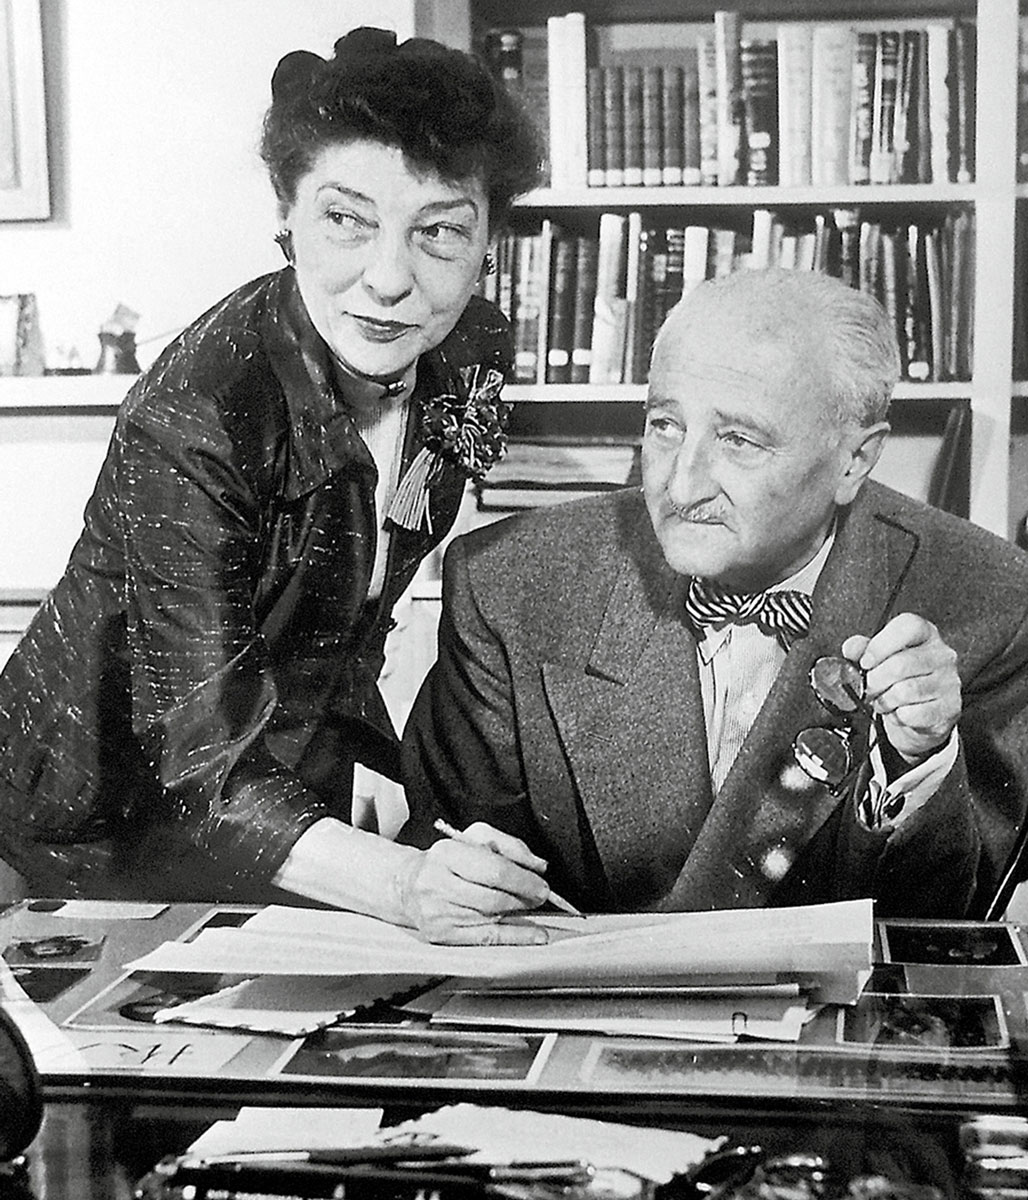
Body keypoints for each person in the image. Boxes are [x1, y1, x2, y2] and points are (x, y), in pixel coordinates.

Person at [0, 26, 544, 914]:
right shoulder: (194, 414)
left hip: (282, 788)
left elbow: (369, 577)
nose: (389, 279)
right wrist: (400, 881)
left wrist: (363, 773)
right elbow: (197, 750)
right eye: (346, 219)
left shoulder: (474, 348)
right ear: (286, 217)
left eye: (439, 230)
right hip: (90, 831)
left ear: (490, 239)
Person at [399, 267, 1028, 940]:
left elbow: (950, 931)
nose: (681, 483)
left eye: (738, 440)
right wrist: (465, 880)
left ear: (854, 461)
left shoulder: (991, 598)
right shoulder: (511, 582)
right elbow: (445, 870)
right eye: (666, 425)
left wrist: (918, 757)